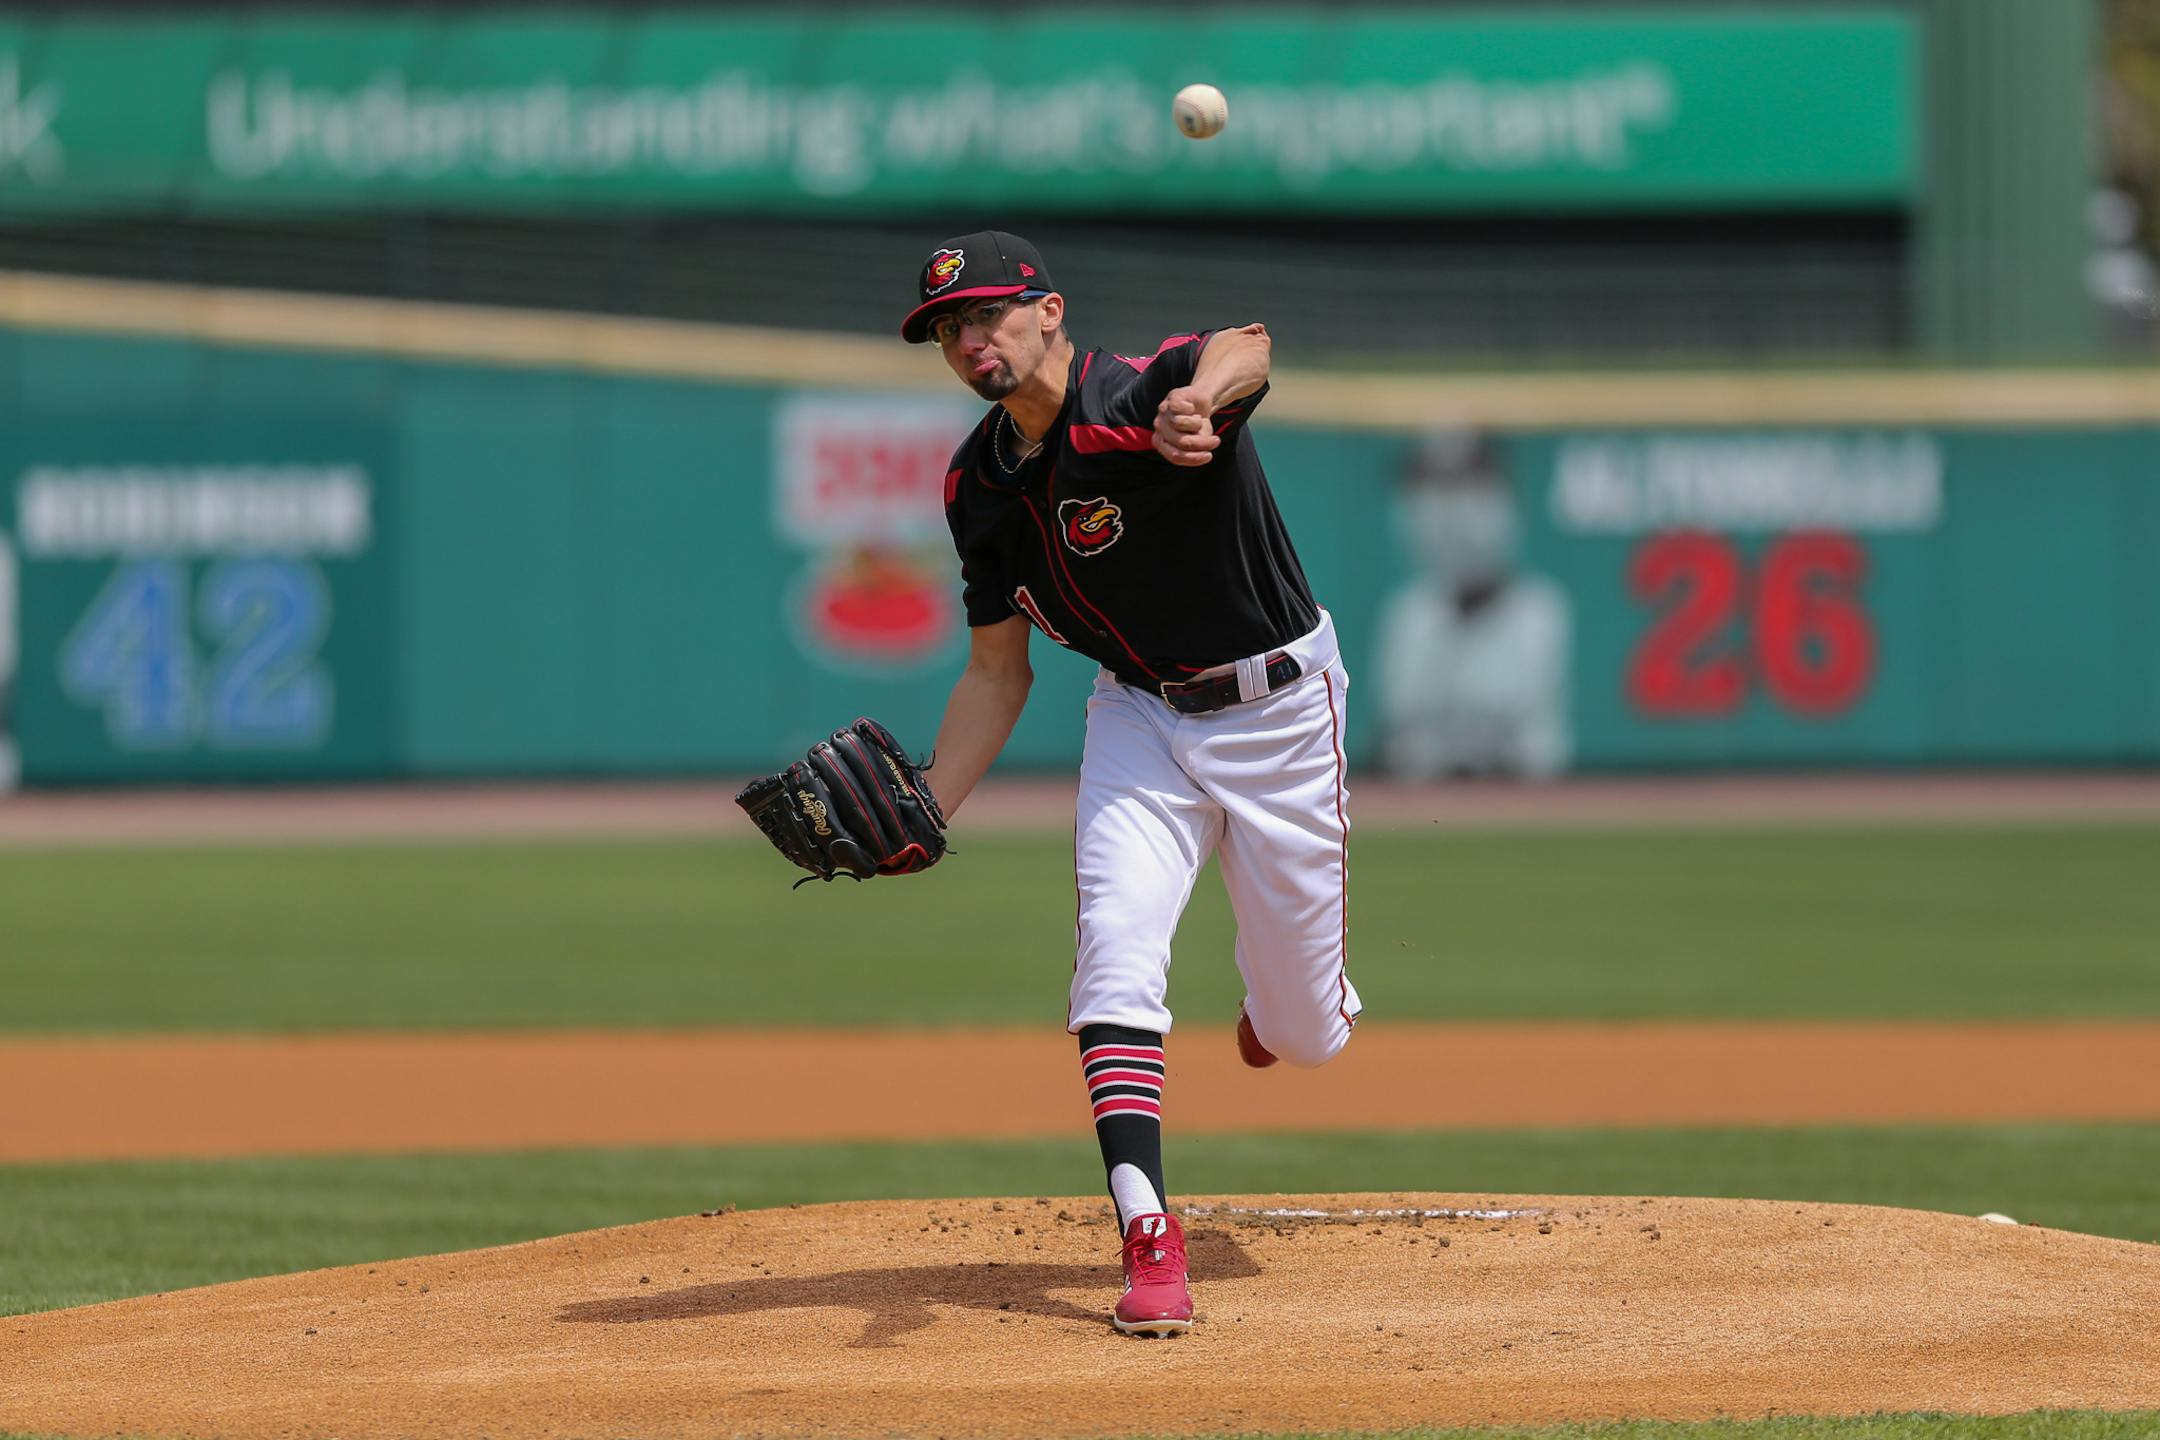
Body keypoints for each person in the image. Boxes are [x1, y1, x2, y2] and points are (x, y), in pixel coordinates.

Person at [900, 231, 1360, 1337]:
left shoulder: (1135, 397)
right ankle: (1150, 1236)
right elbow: (995, 674)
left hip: (1282, 711)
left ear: (1048, 312)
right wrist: (925, 810)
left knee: (1306, 1036)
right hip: (1140, 718)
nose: (970, 341)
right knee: (1115, 946)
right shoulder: (978, 486)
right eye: (948, 330)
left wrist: (1200, 401)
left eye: (990, 316)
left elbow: (1243, 345)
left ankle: (1277, 1008)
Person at [1374, 429, 1572, 781]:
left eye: (1472, 490)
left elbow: (1540, 758)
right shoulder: (1410, 617)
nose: (1453, 514)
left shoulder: (1539, 613)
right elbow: (1400, 753)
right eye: (1436, 493)